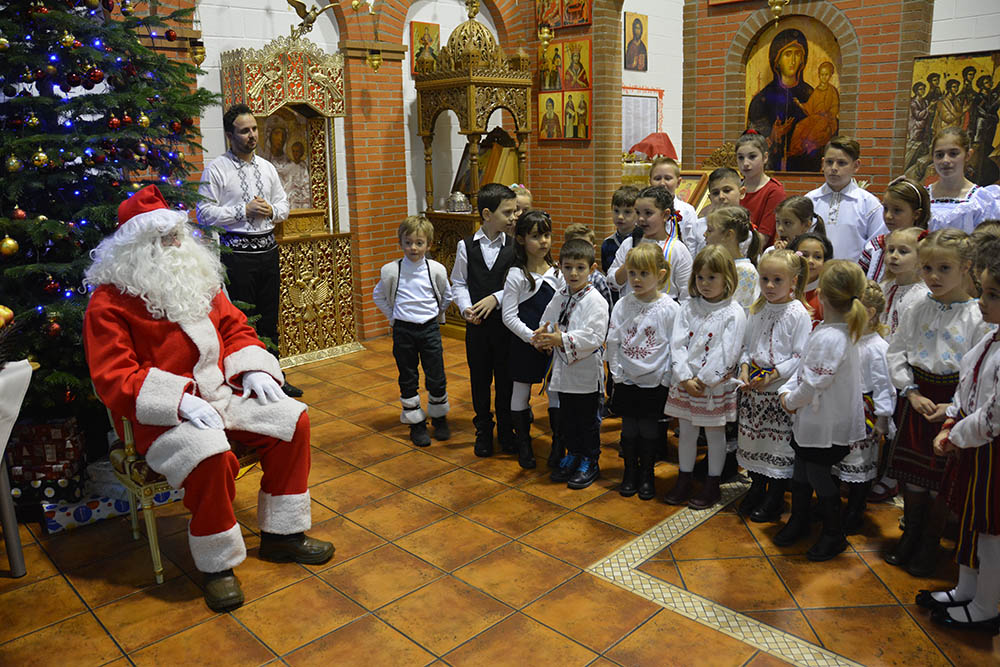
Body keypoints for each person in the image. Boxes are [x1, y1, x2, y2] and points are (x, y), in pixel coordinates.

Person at [83, 185, 333, 613]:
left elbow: (236, 329)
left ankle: (283, 534)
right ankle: (217, 565)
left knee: (293, 422)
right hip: (164, 416)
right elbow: (114, 377)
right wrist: (180, 401)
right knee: (211, 456)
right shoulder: (109, 302)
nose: (176, 244)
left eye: (177, 235)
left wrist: (253, 369)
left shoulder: (198, 278)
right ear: (134, 249)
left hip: (221, 393)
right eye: (164, 239)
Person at [885, 229, 990, 577]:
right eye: (927, 268)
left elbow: (977, 370)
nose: (934, 276)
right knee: (914, 477)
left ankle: (930, 541)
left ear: (966, 267)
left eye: (944, 268)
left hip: (953, 405)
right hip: (918, 397)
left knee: (941, 481)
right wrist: (911, 392)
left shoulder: (977, 316)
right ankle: (911, 533)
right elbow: (897, 351)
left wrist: (954, 408)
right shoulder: (916, 306)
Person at [196, 104, 301, 398]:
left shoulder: (267, 168)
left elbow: (284, 205)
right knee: (243, 321)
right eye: (244, 131)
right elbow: (204, 213)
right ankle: (245, 382)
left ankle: (276, 378)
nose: (252, 135)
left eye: (254, 129)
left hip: (268, 253)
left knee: (269, 319)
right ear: (230, 135)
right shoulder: (216, 169)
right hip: (237, 257)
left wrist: (271, 210)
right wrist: (243, 210)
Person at [926, 238, 1000, 633]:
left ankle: (987, 606)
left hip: (992, 452)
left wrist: (956, 434)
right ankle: (966, 589)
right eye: (983, 291)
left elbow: (993, 417)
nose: (982, 302)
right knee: (972, 523)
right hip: (974, 447)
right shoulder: (991, 336)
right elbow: (966, 382)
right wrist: (951, 418)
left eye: (993, 295)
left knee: (991, 532)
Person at [776, 260, 868, 561]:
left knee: (817, 474)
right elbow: (806, 371)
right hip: (815, 420)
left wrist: (789, 401)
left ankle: (833, 533)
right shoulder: (832, 329)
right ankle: (800, 519)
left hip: (823, 423)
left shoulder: (832, 337)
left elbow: (813, 384)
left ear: (823, 295)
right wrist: (790, 391)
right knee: (801, 468)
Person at [663, 245, 747, 509]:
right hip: (686, 383)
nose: (705, 283)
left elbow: (728, 351)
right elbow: (677, 343)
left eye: (712, 277)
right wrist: (685, 377)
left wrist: (705, 380)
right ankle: (684, 478)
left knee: (714, 434)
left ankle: (712, 485)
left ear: (727, 278)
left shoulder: (733, 312)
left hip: (712, 388)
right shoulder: (688, 307)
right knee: (687, 433)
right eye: (700, 277)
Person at [737, 250, 812, 522]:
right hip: (754, 390)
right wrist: (744, 368)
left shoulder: (798, 313)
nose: (769, 285)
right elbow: (747, 346)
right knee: (754, 440)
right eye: (765, 279)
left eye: (777, 280)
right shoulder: (757, 309)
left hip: (778, 391)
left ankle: (775, 495)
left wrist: (774, 374)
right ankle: (757, 487)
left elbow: (800, 356)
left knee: (776, 445)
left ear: (793, 281)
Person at [533, 238, 610, 489]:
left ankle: (590, 460)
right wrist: (543, 335)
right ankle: (574, 453)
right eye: (568, 267)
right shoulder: (561, 294)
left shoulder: (596, 300)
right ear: (560, 266)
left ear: (592, 269)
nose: (573, 273)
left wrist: (562, 339)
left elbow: (594, 336)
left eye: (580, 267)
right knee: (567, 419)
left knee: (587, 421)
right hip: (563, 372)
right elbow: (547, 320)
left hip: (585, 373)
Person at [372, 215, 453, 447]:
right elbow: (378, 296)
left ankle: (439, 416)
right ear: (401, 243)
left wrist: (436, 314)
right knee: (408, 376)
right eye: (408, 243)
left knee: (436, 375)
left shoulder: (436, 269)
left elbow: (447, 296)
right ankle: (416, 422)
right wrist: (393, 317)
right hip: (403, 331)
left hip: (429, 329)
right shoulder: (391, 271)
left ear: (429, 244)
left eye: (419, 243)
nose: (413, 248)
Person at [451, 183, 518, 457]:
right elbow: (458, 282)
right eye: (507, 212)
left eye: (514, 212)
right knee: (479, 379)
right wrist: (466, 308)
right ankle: (483, 430)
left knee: (505, 379)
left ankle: (506, 429)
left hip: (506, 326)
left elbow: (520, 284)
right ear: (488, 214)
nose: (513, 217)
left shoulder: (514, 246)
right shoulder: (466, 246)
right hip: (477, 328)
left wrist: (496, 298)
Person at [607, 243, 679, 499]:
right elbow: (613, 341)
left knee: (649, 429)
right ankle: (630, 472)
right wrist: (617, 374)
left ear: (660, 274)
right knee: (628, 428)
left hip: (654, 379)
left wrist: (666, 378)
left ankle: (647, 474)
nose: (636, 279)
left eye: (644, 273)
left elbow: (675, 346)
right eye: (632, 273)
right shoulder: (622, 305)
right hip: (627, 378)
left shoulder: (670, 308)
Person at [834, 280, 895, 534]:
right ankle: (834, 506)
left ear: (869, 312)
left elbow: (883, 386)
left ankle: (855, 509)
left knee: (859, 461)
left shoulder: (878, 347)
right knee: (838, 458)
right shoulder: (846, 338)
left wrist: (883, 417)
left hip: (864, 411)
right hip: (840, 406)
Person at [501, 210, 561, 469]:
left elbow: (563, 309)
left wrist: (553, 339)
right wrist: (532, 338)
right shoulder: (517, 274)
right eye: (536, 236)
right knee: (520, 391)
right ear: (522, 239)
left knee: (555, 391)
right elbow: (509, 316)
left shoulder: (558, 272)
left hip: (552, 344)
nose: (543, 241)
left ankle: (558, 444)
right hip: (525, 344)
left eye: (546, 235)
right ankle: (524, 443)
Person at [746, 28, 817, 172]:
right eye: (787, 54)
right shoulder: (763, 99)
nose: (793, 60)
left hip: (804, 168)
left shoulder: (811, 95)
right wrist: (773, 135)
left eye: (797, 54)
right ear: (777, 60)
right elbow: (750, 143)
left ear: (803, 60)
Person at [805, 136, 886, 261]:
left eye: (841, 163)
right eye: (829, 162)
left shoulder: (869, 204)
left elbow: (877, 248)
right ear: (822, 163)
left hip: (854, 272)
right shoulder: (809, 201)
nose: (834, 168)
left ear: (856, 166)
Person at [610, 186, 693, 303]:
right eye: (637, 212)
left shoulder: (677, 250)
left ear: (665, 215)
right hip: (630, 308)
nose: (641, 218)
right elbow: (612, 283)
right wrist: (628, 264)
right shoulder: (629, 244)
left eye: (648, 213)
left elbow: (687, 296)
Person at [927, 127, 1000, 233]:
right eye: (939, 155)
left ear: (968, 155)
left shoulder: (982, 201)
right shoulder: (922, 197)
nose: (945, 160)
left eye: (953, 154)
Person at [859, 177, 930, 282]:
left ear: (916, 214)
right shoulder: (875, 247)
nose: (888, 216)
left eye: (897, 210)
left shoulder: (928, 247)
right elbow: (860, 282)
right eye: (885, 209)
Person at [702, 205, 761, 315]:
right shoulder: (712, 263)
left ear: (729, 235)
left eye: (710, 230)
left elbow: (741, 312)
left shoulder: (746, 271)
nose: (704, 234)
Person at [736, 132, 786, 248]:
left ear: (765, 157)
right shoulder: (734, 187)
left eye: (752, 157)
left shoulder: (774, 190)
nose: (745, 163)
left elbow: (762, 239)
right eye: (741, 157)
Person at [690, 167, 747, 259]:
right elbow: (692, 260)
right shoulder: (698, 226)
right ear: (710, 198)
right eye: (715, 193)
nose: (721, 196)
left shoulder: (745, 227)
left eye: (727, 190)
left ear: (742, 192)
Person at [649, 157, 699, 260]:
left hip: (678, 262)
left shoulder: (687, 210)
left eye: (668, 178)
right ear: (650, 181)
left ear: (679, 182)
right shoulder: (644, 209)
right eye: (657, 178)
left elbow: (692, 244)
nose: (662, 183)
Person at [790, 61, 840, 159]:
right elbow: (810, 106)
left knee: (813, 132)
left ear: (830, 75)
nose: (824, 77)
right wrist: (799, 104)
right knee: (799, 126)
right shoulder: (817, 90)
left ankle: (806, 149)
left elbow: (835, 107)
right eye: (822, 74)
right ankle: (794, 150)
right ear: (819, 75)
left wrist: (829, 115)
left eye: (826, 74)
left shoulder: (832, 91)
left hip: (827, 119)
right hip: (815, 117)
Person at [602, 185, 642, 303]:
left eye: (627, 212)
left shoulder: (640, 241)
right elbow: (608, 277)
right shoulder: (607, 243)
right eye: (616, 211)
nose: (620, 217)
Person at [789, 232, 834, 328]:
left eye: (817, 257)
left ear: (825, 261)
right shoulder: (782, 286)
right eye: (804, 255)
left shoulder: (827, 296)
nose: (810, 261)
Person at [565, 224, 612, 308]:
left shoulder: (598, 280)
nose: (579, 251)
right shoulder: (561, 276)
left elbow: (607, 310)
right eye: (575, 246)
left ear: (594, 249)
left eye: (585, 246)